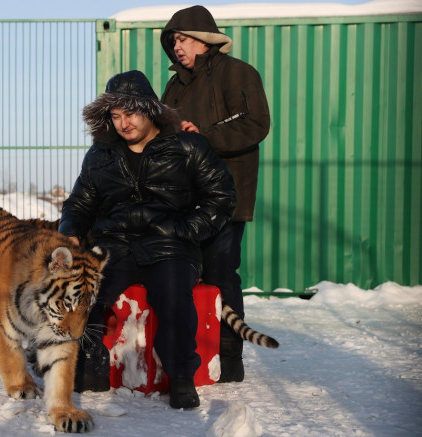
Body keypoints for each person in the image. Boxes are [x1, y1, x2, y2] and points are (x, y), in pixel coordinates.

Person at [58, 70, 236, 409]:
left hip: (170, 244)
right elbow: (78, 203)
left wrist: (183, 231)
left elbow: (222, 197)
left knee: (173, 299)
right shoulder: (100, 155)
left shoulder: (187, 146)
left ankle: (182, 377)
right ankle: (90, 367)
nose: (124, 123)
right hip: (114, 247)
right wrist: (69, 231)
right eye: (116, 115)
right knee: (85, 296)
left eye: (131, 112)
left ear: (151, 109)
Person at [160, 5, 271, 383]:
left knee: (222, 274)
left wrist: (203, 135)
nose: (177, 46)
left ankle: (230, 361)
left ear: (204, 40)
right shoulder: (173, 86)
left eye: (184, 39)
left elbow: (256, 123)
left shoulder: (238, 72)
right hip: (182, 199)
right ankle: (192, 357)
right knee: (184, 276)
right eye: (173, 40)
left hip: (226, 196)